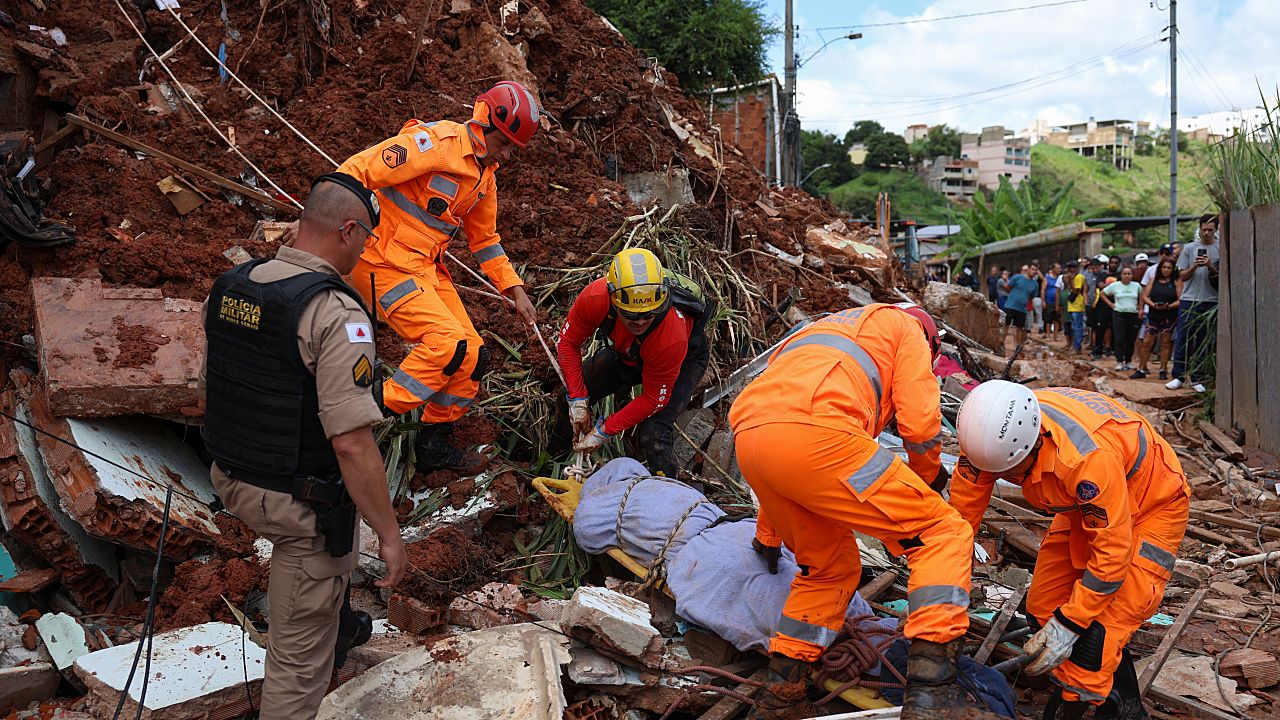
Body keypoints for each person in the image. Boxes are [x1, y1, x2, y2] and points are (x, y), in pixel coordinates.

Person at [730, 304, 999, 720]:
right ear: (932, 343)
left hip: (750, 435)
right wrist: (927, 481)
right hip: (820, 434)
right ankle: (932, 693)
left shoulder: (831, 329)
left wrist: (768, 536)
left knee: (828, 569)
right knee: (942, 533)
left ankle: (780, 692)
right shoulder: (907, 328)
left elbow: (785, 450)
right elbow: (920, 422)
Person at [202, 174, 407, 719]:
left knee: (319, 604)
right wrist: (388, 535)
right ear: (347, 229)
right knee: (296, 667)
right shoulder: (334, 314)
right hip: (296, 502)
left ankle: (334, 623)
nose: (365, 250)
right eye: (365, 238)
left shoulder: (234, 285)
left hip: (231, 474)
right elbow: (352, 445)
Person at [952, 382, 1189, 720]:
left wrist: (1071, 624)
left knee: (1100, 632)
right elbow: (960, 523)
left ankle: (1105, 707)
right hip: (1084, 506)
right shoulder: (984, 442)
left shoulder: (1085, 461)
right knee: (1043, 606)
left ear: (1032, 447)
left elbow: (1111, 558)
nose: (999, 479)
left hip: (1151, 499)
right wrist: (945, 595)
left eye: (1007, 474)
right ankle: (1094, 693)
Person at [336, 80, 541, 471]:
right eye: (506, 143)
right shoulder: (435, 143)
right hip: (382, 260)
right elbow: (357, 171)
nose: (509, 154)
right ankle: (360, 411)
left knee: (472, 354)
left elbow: (486, 241)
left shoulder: (485, 176)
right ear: (485, 124)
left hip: (424, 268)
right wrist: (328, 225)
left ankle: (433, 444)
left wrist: (514, 289)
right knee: (446, 346)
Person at [558, 248, 711, 477]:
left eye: (648, 314)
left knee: (654, 433)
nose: (640, 322)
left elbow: (653, 399)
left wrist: (603, 430)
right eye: (631, 315)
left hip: (679, 360)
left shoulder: (670, 336)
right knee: (568, 395)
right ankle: (556, 458)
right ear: (613, 300)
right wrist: (578, 399)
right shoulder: (595, 298)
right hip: (628, 353)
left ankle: (666, 495)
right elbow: (568, 342)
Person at [1167, 215, 1221, 392]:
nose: (1206, 233)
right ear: (1200, 228)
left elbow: (1224, 276)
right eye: (1204, 229)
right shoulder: (1190, 248)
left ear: (1216, 229)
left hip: (1211, 299)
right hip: (1189, 299)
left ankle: (1197, 378)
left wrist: (1211, 266)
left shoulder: (1221, 247)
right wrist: (1195, 266)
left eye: (1210, 230)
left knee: (1203, 341)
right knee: (1183, 337)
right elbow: (1181, 276)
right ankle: (1178, 376)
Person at [1132, 258, 1180, 379]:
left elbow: (1180, 299)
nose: (1166, 270)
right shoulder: (1153, 280)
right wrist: (1152, 305)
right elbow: (1145, 295)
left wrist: (1169, 306)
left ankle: (1163, 369)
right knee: (1147, 342)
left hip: (1169, 316)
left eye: (1169, 268)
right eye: (1164, 267)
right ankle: (1142, 368)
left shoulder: (1176, 281)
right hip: (1153, 315)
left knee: (1165, 343)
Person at [1102, 266, 1141, 371]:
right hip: (1119, 313)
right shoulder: (1115, 286)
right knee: (1120, 338)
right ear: (1121, 275)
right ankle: (1119, 361)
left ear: (1132, 275)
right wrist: (1111, 304)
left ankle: (1128, 361)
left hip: (1133, 314)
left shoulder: (1136, 286)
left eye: (1129, 274)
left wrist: (1140, 307)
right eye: (1125, 274)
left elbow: (1142, 296)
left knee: (1131, 339)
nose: (1127, 276)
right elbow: (1103, 293)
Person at [1002, 265, 1038, 348]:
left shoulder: (1035, 284)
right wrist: (1013, 296)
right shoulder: (1017, 277)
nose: (1034, 271)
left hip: (1022, 308)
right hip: (1011, 305)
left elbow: (1032, 296)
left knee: (1019, 327)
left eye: (1036, 270)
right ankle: (1001, 343)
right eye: (1032, 269)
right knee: (1006, 325)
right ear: (1028, 270)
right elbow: (1008, 287)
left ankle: (1017, 347)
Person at [1064, 261, 1087, 353]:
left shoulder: (1079, 277)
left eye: (1073, 267)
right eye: (1069, 268)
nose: (1071, 270)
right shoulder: (1072, 277)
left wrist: (1071, 280)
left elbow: (1076, 290)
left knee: (1077, 327)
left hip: (1078, 305)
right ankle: (1075, 346)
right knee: (1073, 327)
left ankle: (1077, 347)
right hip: (1071, 305)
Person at [1042, 262, 1061, 341]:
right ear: (1053, 269)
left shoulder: (1060, 278)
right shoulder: (1047, 278)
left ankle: (1055, 336)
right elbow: (1043, 290)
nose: (1059, 270)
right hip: (1049, 301)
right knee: (1048, 319)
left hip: (1058, 302)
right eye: (1057, 268)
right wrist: (1043, 301)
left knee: (1057, 319)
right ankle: (1048, 335)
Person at [1030, 262, 1045, 334]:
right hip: (1033, 297)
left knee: (1040, 313)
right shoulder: (1030, 277)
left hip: (1039, 296)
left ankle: (1041, 327)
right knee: (1035, 313)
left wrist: (1037, 270)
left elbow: (1043, 279)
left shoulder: (1039, 276)